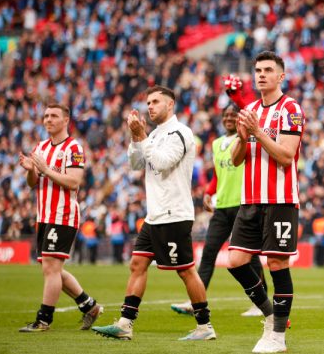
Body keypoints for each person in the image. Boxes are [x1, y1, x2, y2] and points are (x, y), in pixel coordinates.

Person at [92, 85, 216, 341]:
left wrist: (143, 137)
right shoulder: (155, 134)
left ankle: (205, 327)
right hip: (154, 214)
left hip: (174, 214)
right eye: (148, 102)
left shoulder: (181, 133)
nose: (150, 106)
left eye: (156, 101)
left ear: (170, 105)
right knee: (137, 264)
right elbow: (136, 164)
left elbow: (160, 162)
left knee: (185, 271)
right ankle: (126, 324)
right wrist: (135, 136)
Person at [226, 51, 304, 353]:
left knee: (276, 263)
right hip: (251, 199)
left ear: (280, 76)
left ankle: (277, 337)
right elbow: (235, 160)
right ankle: (271, 316)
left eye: (268, 70)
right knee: (235, 261)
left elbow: (287, 155)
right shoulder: (250, 109)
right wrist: (244, 137)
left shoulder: (290, 109)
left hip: (280, 199)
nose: (261, 75)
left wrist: (258, 132)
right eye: (258, 70)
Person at [170, 99, 267, 318]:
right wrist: (208, 191)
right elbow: (218, 174)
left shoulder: (247, 139)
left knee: (249, 256)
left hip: (243, 204)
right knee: (209, 252)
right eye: (226, 115)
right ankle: (196, 300)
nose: (229, 118)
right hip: (222, 206)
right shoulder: (216, 143)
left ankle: (260, 302)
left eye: (234, 115)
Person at [18, 103, 103, 332]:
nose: (48, 119)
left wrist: (45, 170)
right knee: (51, 269)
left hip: (62, 214)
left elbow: (74, 181)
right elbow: (32, 184)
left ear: (66, 120)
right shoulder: (41, 147)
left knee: (52, 269)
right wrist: (30, 170)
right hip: (44, 214)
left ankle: (43, 320)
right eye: (45, 116)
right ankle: (89, 306)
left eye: (54, 116)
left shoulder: (73, 147)